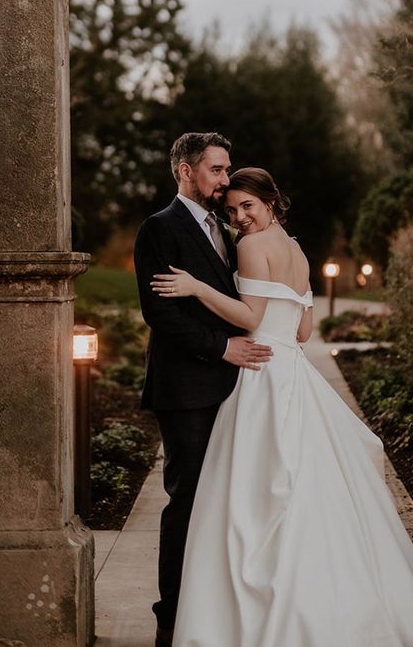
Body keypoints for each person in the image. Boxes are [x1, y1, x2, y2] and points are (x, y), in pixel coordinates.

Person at [150, 167, 413, 647]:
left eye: (248, 206)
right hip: (292, 369)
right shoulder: (297, 250)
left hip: (261, 375)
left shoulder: (250, 247)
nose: (240, 218)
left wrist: (197, 288)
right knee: (311, 491)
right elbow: (304, 332)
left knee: (252, 495)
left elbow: (251, 317)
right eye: (231, 211)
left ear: (272, 202)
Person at [134, 134, 274, 647]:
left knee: (227, 504)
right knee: (187, 503)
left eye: (226, 169)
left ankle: (217, 614)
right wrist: (222, 349)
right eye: (216, 170)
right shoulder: (159, 229)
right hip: (187, 390)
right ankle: (171, 621)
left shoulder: (228, 230)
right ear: (185, 171)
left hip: (234, 390)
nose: (223, 180)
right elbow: (160, 314)